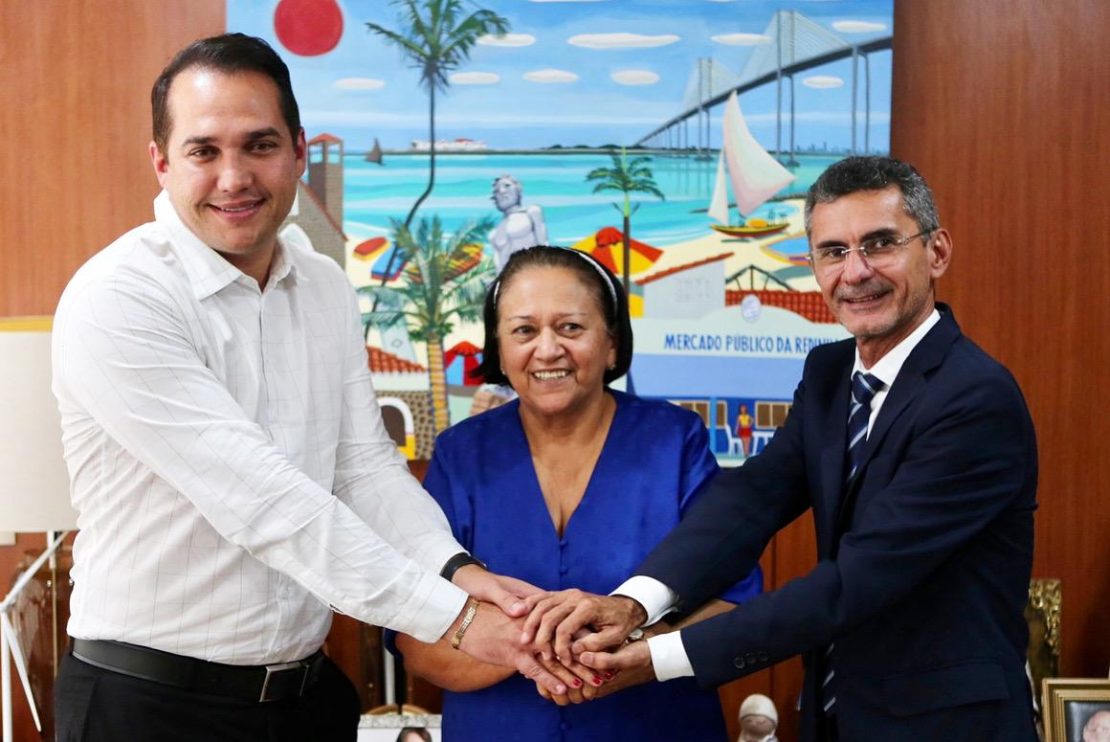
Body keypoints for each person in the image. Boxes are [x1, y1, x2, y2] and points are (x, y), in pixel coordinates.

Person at [50, 33, 571, 742]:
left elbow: (361, 465)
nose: (234, 177)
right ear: (161, 162)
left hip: (306, 698)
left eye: (259, 145)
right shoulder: (119, 297)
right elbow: (264, 503)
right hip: (149, 702)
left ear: (298, 151)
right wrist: (451, 618)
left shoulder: (322, 284)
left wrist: (458, 571)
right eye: (204, 151)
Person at [522, 156, 1039, 741]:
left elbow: (855, 582)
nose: (856, 272)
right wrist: (634, 605)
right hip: (838, 718)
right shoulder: (829, 372)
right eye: (833, 251)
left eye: (880, 244)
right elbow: (754, 496)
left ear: (937, 252)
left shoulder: (975, 400)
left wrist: (659, 657)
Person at [391, 246, 762, 741]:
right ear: (499, 350)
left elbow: (733, 604)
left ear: (611, 344)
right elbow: (415, 635)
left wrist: (636, 652)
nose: (547, 350)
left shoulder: (674, 441)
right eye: (524, 330)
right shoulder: (461, 455)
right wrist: (538, 651)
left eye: (570, 327)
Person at [489, 174, 547, 269]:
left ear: (518, 190)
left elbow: (544, 246)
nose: (502, 191)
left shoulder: (531, 212)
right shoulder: (494, 233)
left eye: (507, 186)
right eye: (497, 191)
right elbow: (498, 267)